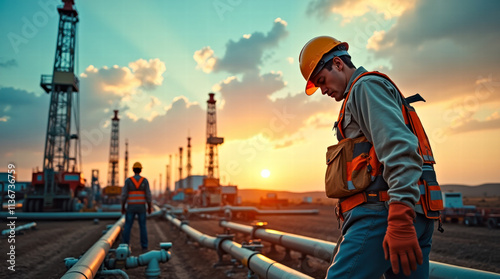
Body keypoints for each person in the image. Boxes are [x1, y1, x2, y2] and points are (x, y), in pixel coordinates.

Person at [299, 36, 441, 278]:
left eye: (322, 81)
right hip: (410, 211)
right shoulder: (367, 90)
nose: (323, 91)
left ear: (338, 63)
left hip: (383, 213)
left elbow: (401, 151)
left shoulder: (364, 88)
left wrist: (399, 219)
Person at [121, 161, 153, 252]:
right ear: (140, 170)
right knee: (142, 226)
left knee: (128, 225)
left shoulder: (128, 181)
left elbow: (124, 195)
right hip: (141, 207)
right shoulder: (145, 181)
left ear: (133, 170)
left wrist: (123, 207)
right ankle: (144, 246)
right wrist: (149, 207)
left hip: (131, 206)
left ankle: (125, 245)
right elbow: (148, 195)